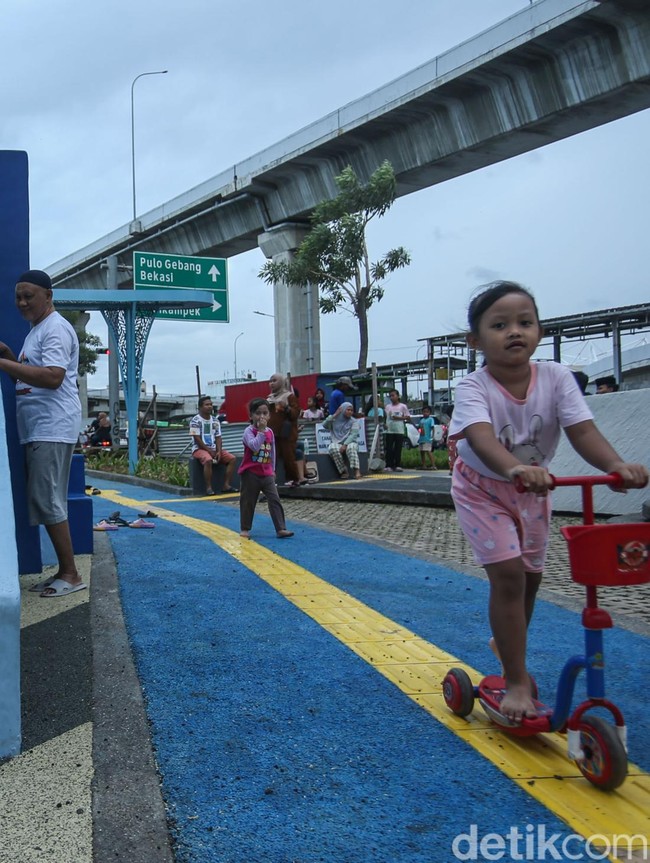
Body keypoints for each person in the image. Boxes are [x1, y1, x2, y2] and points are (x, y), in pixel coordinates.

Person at [448, 280, 648, 723]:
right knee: (509, 577)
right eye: (500, 325)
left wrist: (616, 466)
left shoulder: (556, 377)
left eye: (525, 322)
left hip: (535, 489)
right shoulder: (472, 387)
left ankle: (507, 644)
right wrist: (514, 469)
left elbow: (582, 431)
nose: (515, 331)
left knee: (532, 579)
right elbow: (480, 439)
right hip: (483, 488)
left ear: (539, 330)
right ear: (475, 341)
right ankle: (517, 680)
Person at [0, 269, 85, 598]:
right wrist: (9, 358)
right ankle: (65, 570)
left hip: (52, 426)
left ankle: (71, 574)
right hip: (39, 427)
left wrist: (4, 365)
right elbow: (27, 381)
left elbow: (52, 377)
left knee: (49, 500)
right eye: (18, 296)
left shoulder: (55, 329)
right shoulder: (36, 331)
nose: (22, 302)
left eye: (29, 296)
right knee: (47, 499)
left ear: (48, 296)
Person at [238, 398, 294, 539]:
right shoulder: (248, 432)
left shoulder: (270, 432)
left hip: (266, 472)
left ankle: (280, 528)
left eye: (265, 413)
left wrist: (272, 469)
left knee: (274, 499)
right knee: (248, 501)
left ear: (269, 415)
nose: (261, 417)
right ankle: (245, 528)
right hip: (250, 472)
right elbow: (254, 446)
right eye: (257, 413)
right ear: (251, 416)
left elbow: (272, 452)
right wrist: (261, 432)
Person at [189, 396, 237, 494]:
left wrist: (219, 451)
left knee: (232, 458)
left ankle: (226, 485)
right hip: (198, 449)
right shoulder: (194, 421)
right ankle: (208, 488)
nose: (210, 407)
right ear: (200, 407)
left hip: (214, 449)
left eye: (211, 404)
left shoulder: (215, 421)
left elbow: (218, 437)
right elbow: (196, 438)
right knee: (208, 460)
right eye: (207, 405)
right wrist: (208, 450)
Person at [266, 373, 301, 487]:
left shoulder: (289, 396)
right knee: (271, 458)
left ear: (281, 382)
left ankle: (294, 479)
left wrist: (286, 407)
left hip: (286, 433)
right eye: (270, 381)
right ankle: (271, 481)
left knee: (288, 457)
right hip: (272, 433)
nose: (271, 383)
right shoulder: (269, 398)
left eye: (274, 381)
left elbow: (295, 414)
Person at [322, 402, 362, 479]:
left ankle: (357, 470)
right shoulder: (334, 420)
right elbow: (324, 425)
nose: (350, 412)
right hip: (337, 442)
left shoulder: (354, 421)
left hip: (350, 442)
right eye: (348, 410)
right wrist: (334, 415)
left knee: (351, 448)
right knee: (332, 448)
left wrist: (345, 444)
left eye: (351, 410)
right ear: (343, 410)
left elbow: (353, 435)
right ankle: (343, 470)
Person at [384, 389, 410, 472]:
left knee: (398, 448)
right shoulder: (388, 407)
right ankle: (389, 465)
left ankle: (397, 464)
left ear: (398, 396)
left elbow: (408, 417)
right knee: (389, 448)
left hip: (399, 429)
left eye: (393, 395)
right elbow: (386, 417)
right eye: (390, 396)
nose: (391, 397)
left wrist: (398, 418)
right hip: (389, 430)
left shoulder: (402, 406)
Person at [417, 405, 437, 470]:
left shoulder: (431, 419)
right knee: (422, 452)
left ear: (429, 413)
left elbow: (432, 428)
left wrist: (433, 436)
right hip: (421, 438)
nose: (425, 413)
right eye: (424, 412)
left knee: (428, 451)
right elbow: (420, 429)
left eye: (427, 412)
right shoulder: (421, 420)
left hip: (427, 438)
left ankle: (433, 465)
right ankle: (424, 465)